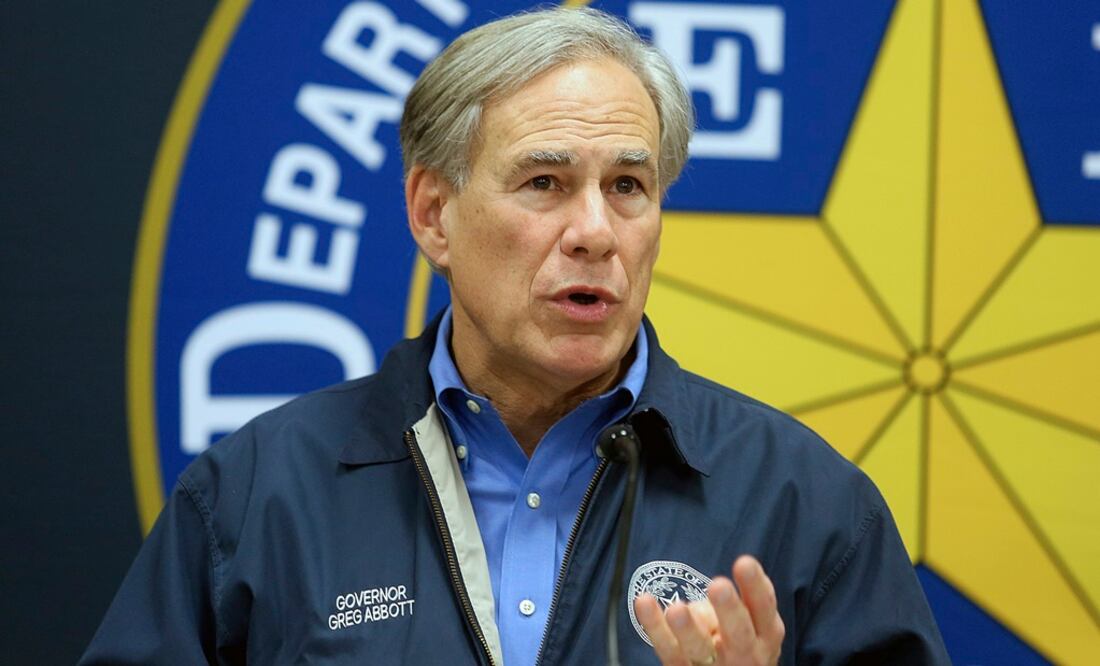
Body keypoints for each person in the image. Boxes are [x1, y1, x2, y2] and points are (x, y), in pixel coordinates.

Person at [82, 7, 949, 665]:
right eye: (544, 182)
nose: (595, 232)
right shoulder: (256, 495)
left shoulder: (807, 504)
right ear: (433, 214)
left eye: (628, 187)